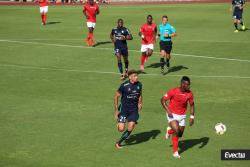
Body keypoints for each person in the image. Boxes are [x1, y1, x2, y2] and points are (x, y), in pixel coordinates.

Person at [161, 76, 195, 158]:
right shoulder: (173, 91)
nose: (189, 86)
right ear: (183, 84)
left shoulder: (189, 94)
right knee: (177, 132)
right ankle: (175, 152)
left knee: (180, 134)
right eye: (187, 84)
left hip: (182, 116)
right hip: (172, 114)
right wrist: (168, 111)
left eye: (189, 84)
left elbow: (192, 105)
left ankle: (169, 131)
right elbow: (162, 100)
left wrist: (192, 117)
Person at [114, 70, 142, 149]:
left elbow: (140, 94)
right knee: (121, 129)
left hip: (134, 110)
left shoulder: (139, 85)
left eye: (137, 76)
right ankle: (119, 122)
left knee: (131, 126)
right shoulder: (124, 86)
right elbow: (116, 96)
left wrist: (140, 103)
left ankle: (118, 143)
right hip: (124, 110)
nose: (137, 77)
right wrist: (116, 110)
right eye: (135, 76)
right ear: (130, 77)